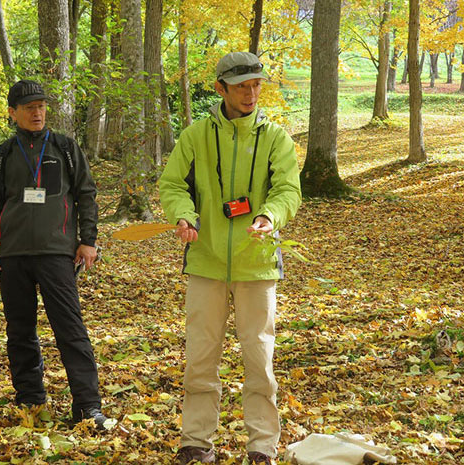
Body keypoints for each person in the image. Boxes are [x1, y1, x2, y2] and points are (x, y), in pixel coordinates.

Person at [159, 52, 302, 465]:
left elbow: (288, 190)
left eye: (256, 84)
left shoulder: (276, 137)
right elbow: (172, 185)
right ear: (220, 88)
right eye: (242, 86)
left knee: (259, 358)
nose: (251, 93)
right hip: (204, 262)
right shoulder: (196, 135)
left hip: (257, 263)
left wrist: (269, 215)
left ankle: (261, 446)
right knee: (201, 356)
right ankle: (197, 442)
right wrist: (183, 215)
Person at [0, 80, 108, 428]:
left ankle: (87, 405)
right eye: (29, 107)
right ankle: (30, 401)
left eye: (41, 106)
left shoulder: (65, 148)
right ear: (13, 113)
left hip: (57, 252)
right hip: (13, 255)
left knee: (70, 329)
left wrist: (88, 240)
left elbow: (86, 194)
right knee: (20, 331)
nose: (37, 113)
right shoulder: (3, 155)